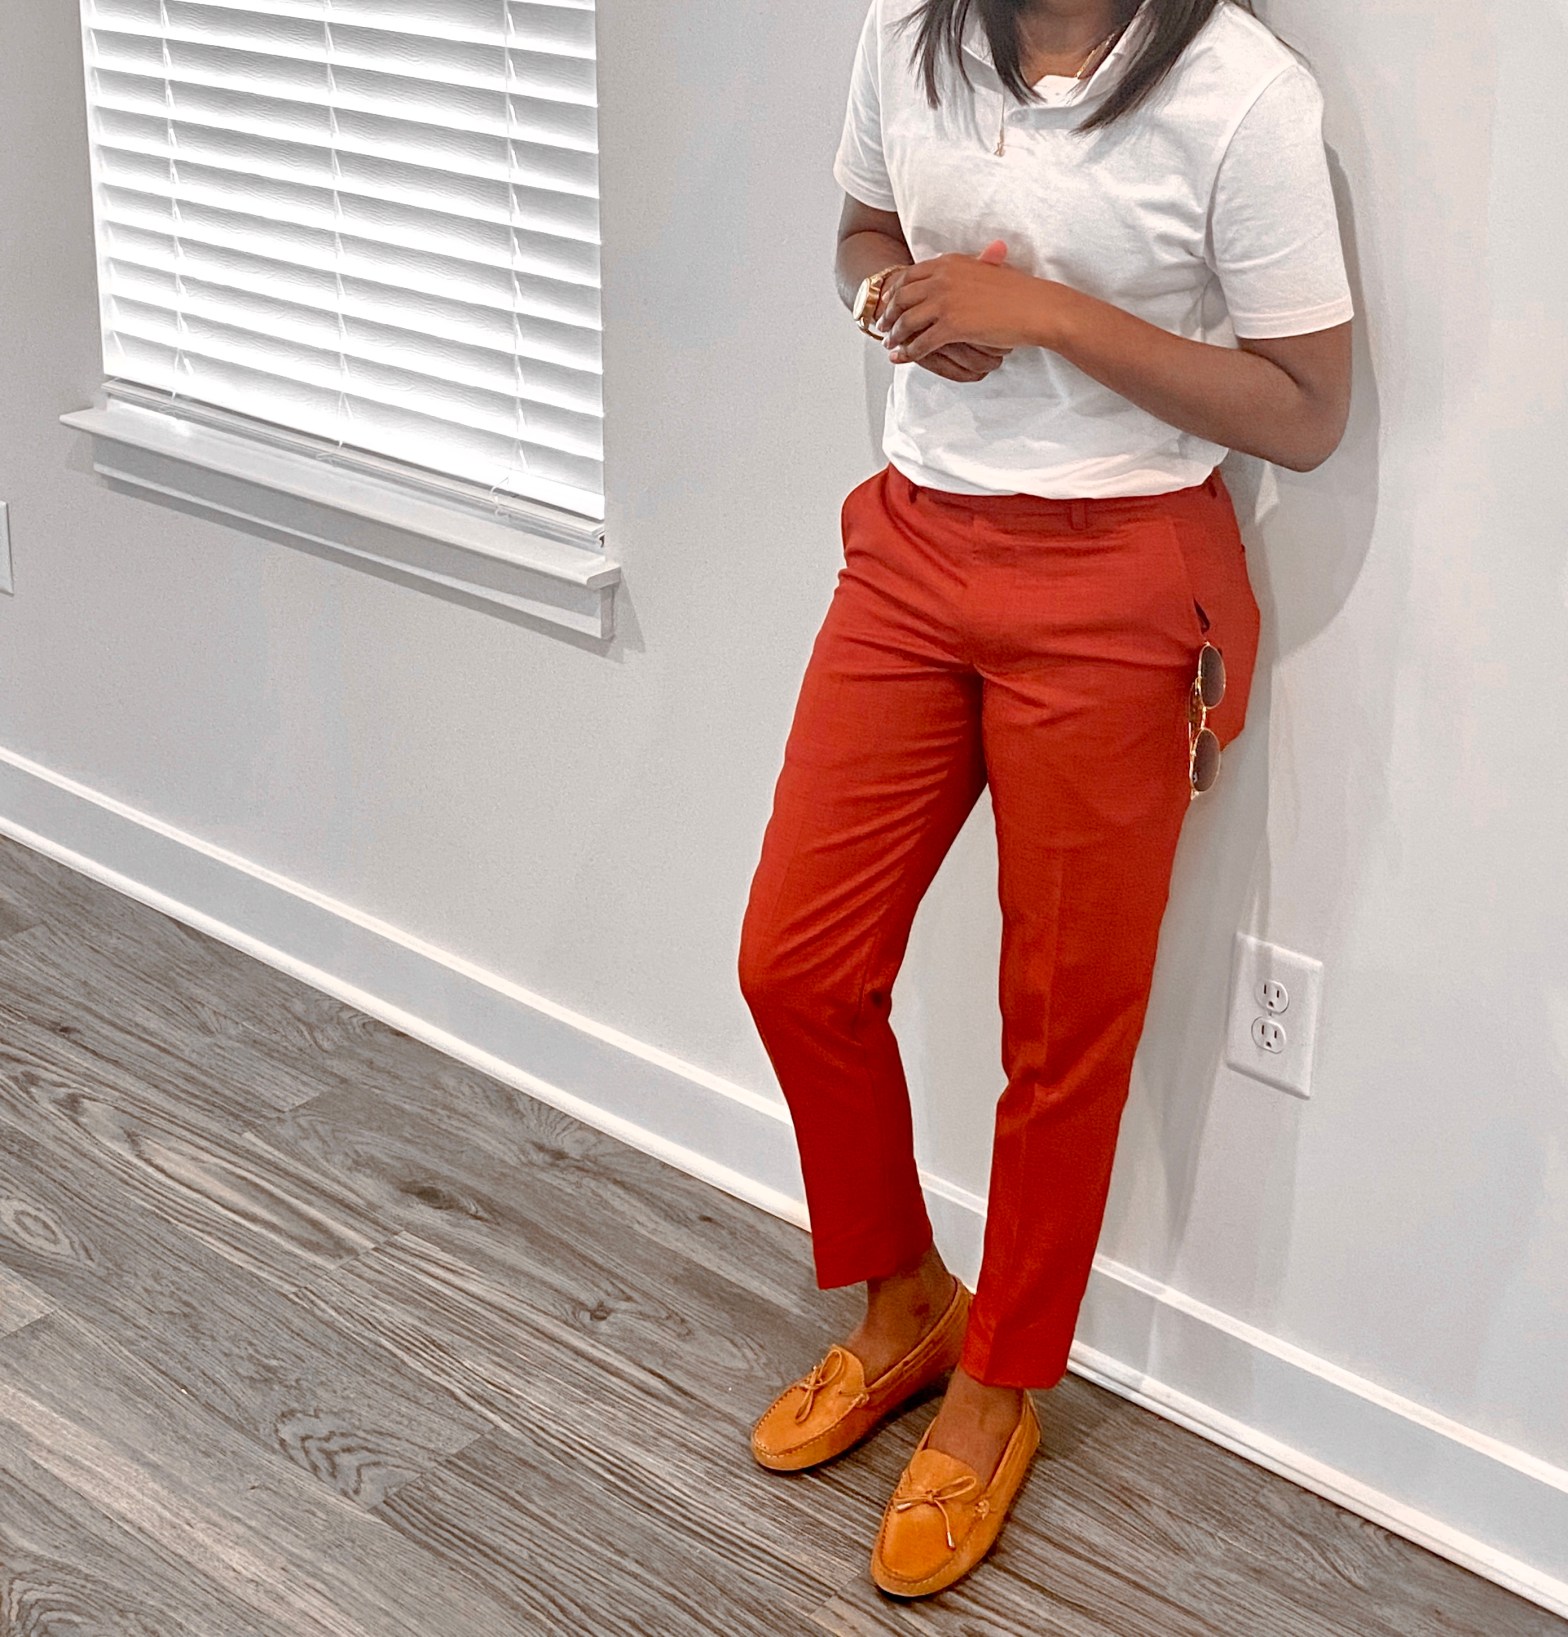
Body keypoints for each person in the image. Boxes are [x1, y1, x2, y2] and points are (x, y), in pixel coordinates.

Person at [737, 0, 1353, 1601]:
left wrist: (1053, 316)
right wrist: (889, 297)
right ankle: (905, 1300)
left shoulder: (1243, 94)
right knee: (796, 962)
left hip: (1126, 572)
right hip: (914, 541)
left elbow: (1307, 407)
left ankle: (1003, 1378)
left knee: (1063, 1021)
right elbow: (863, 228)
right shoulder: (907, 31)